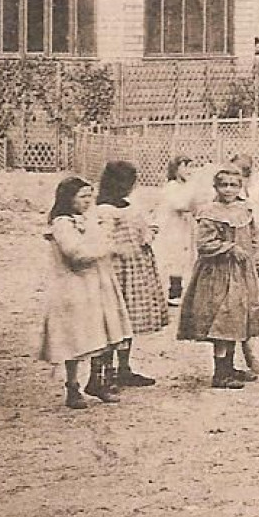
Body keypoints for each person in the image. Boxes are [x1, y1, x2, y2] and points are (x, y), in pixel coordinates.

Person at [38, 177, 132, 410]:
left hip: (96, 283)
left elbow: (99, 239)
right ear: (68, 199)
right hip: (74, 286)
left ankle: (96, 381)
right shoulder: (62, 224)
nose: (88, 201)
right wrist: (107, 248)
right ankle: (72, 386)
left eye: (90, 196)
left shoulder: (89, 219)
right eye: (83, 197)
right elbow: (76, 253)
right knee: (76, 337)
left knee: (102, 331)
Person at [178, 169, 259, 390]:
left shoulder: (245, 210)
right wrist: (229, 248)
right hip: (217, 274)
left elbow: (254, 238)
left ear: (240, 187)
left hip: (241, 272)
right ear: (216, 188)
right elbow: (204, 244)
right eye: (224, 185)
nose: (228, 190)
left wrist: (258, 261)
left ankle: (230, 367)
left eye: (233, 185)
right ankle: (220, 372)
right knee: (222, 319)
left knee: (236, 317)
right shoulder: (210, 212)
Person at [95, 160, 167, 386]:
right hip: (118, 269)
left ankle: (123, 368)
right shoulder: (105, 211)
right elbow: (105, 240)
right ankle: (109, 370)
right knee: (113, 321)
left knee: (127, 320)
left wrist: (149, 231)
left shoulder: (126, 206)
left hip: (134, 268)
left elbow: (143, 232)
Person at [154, 156, 201, 306]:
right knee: (175, 257)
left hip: (183, 226)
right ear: (175, 169)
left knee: (183, 257)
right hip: (172, 227)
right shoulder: (172, 186)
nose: (188, 170)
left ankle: (180, 289)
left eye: (189, 166)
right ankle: (174, 292)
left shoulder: (185, 186)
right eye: (184, 166)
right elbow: (181, 205)